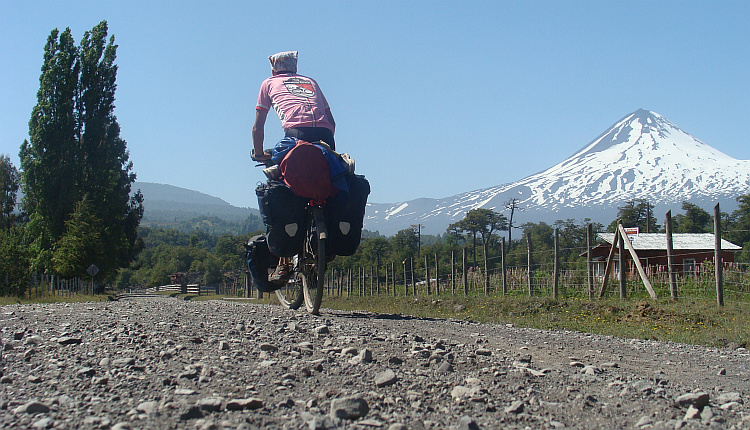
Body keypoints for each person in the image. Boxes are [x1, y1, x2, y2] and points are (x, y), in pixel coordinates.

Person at [252, 51, 336, 282]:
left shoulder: (268, 83)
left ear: (273, 69)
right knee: (325, 178)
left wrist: (259, 153)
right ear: (295, 68)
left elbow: (258, 126)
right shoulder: (310, 82)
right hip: (325, 135)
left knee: (280, 184)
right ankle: (324, 237)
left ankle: (284, 264)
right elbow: (332, 120)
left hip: (296, 133)